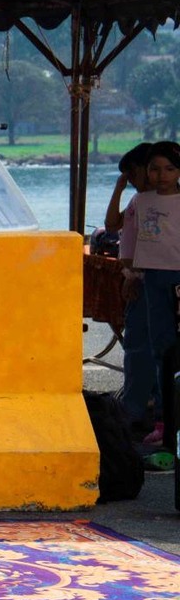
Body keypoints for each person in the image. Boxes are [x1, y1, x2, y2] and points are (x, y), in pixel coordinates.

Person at [118, 141, 180, 442]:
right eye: (155, 169)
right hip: (152, 278)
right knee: (160, 349)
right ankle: (163, 421)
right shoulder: (141, 202)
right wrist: (132, 273)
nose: (161, 175)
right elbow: (135, 240)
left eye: (169, 169)